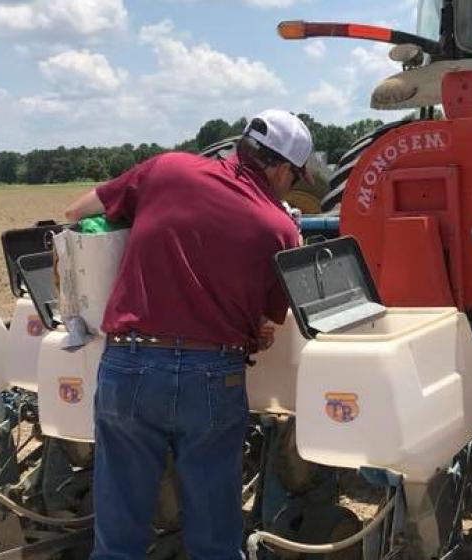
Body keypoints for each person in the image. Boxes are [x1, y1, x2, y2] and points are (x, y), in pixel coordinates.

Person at [63, 109, 312, 560]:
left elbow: (77, 213)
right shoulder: (280, 228)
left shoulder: (169, 168)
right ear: (280, 169)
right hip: (212, 376)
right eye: (294, 179)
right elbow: (268, 323)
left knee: (117, 537)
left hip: (129, 364)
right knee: (214, 540)